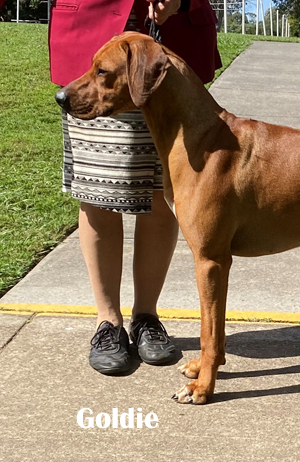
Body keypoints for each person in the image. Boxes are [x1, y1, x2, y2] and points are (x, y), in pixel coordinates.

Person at [48, 0, 222, 374]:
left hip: (173, 42)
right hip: (92, 33)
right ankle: (107, 322)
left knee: (167, 197)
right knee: (98, 195)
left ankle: (146, 317)